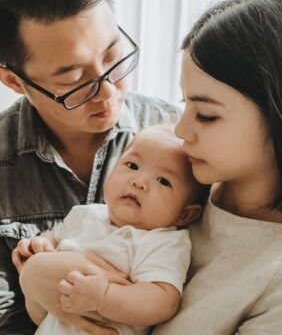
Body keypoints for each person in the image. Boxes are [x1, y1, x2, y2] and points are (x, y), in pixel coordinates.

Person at [22, 0, 282, 335]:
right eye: (185, 105)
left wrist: (46, 276)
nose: (181, 130)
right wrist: (36, 273)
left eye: (206, 115)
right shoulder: (181, 192)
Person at [0, 0, 181, 334]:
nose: (107, 93)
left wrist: (47, 276)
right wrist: (34, 282)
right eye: (74, 79)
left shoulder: (182, 138)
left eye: (113, 56)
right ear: (14, 81)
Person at [12, 125, 207, 335]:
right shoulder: (85, 214)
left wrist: (104, 297)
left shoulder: (163, 241)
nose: (139, 181)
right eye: (132, 165)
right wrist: (40, 245)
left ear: (184, 215)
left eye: (163, 181)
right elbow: (54, 242)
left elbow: (163, 301)